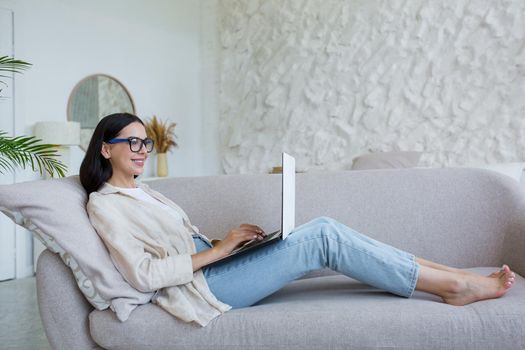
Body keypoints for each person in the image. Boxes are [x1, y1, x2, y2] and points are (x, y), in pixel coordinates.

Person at [81, 113, 516, 327]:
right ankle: (456, 287)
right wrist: (221, 249)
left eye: (145, 142)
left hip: (214, 268)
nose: (141, 149)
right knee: (322, 236)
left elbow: (180, 243)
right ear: (105, 148)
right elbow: (141, 274)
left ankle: (452, 275)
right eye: (131, 141)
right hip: (202, 290)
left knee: (325, 226)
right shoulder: (105, 204)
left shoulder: (144, 191)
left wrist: (233, 243)